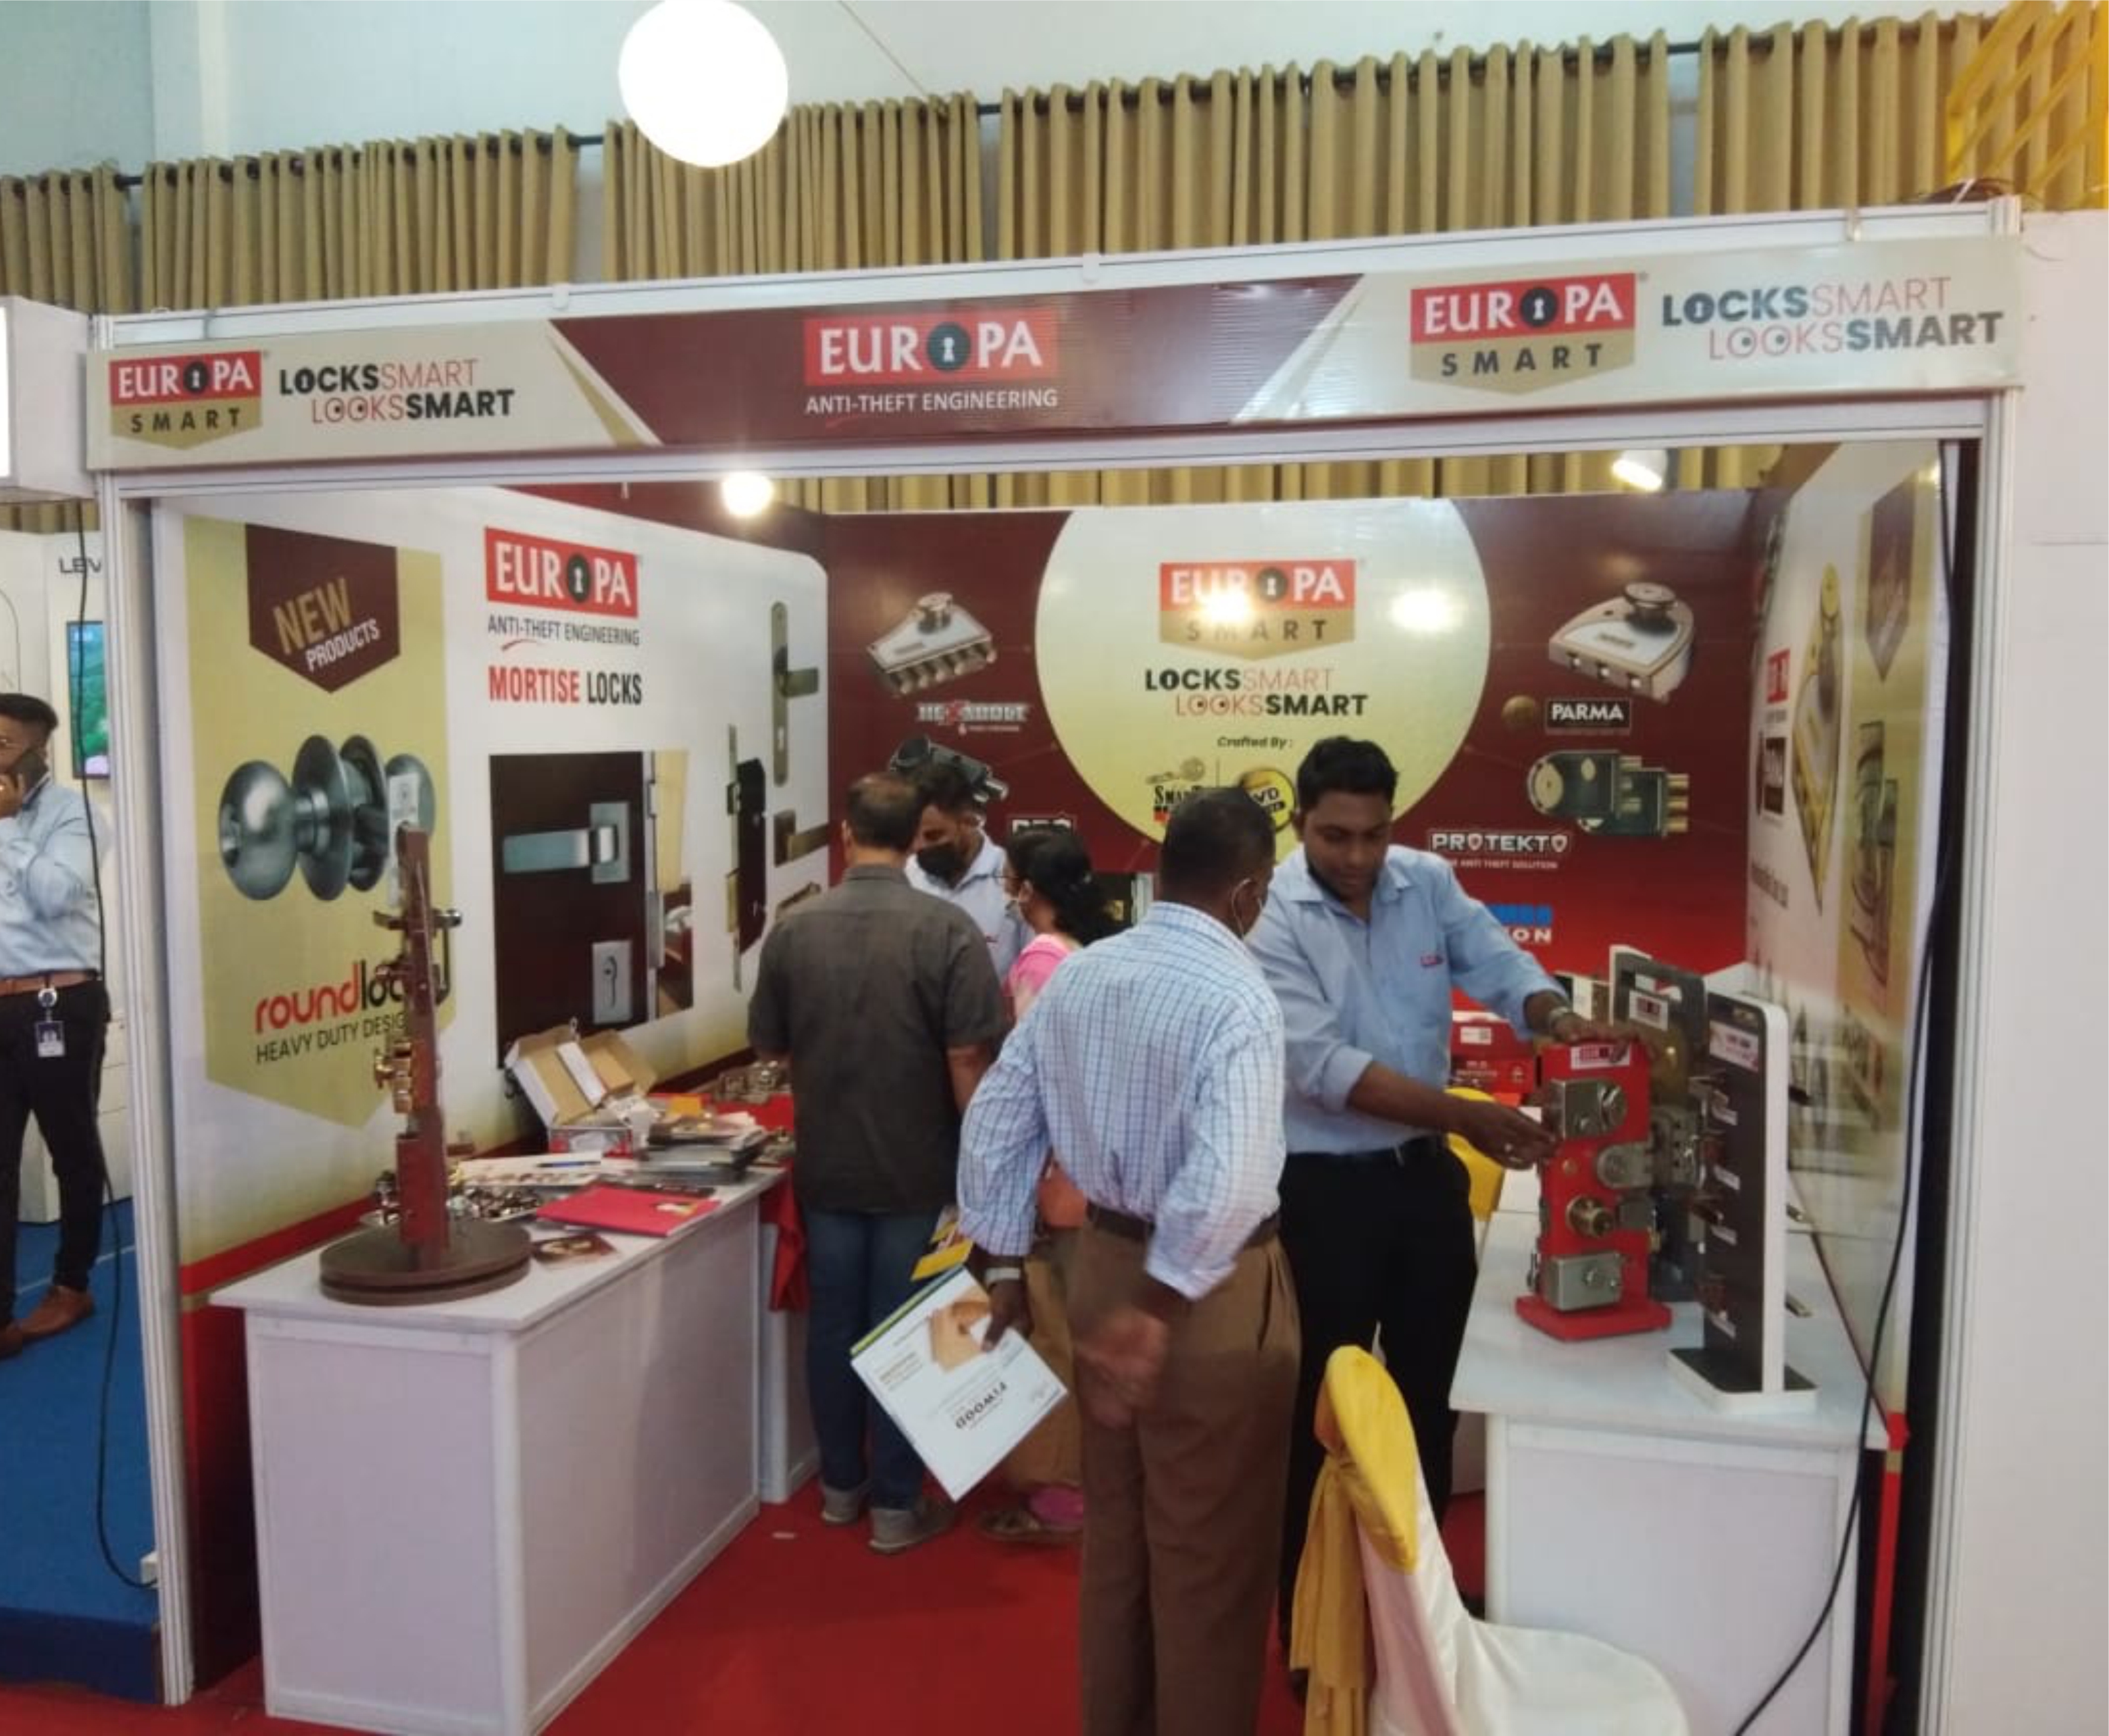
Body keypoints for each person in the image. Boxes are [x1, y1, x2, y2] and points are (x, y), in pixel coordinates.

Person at [1246, 735, 1629, 1648]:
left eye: (1374, 834)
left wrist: (1556, 1019)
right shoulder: (1270, 914)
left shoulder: (1426, 881)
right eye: (1335, 836)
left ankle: (1422, 1616)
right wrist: (1469, 1115)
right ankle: (1315, 1627)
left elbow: (1502, 966)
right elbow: (1325, 1069)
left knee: (1430, 1400)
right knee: (1320, 1417)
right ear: (1300, 824)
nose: (1357, 856)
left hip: (1422, 1184)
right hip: (1320, 1195)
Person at [957, 788, 1298, 1736]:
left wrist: (1004, 1265)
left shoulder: (1082, 973)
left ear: (1158, 868)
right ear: (1249, 892)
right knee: (1210, 1558)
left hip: (1097, 1265)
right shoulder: (1238, 996)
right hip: (1200, 1296)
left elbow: (996, 1120)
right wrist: (1159, 1307)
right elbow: (1227, 1182)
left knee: (1117, 1542)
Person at [747, 771, 1006, 1553]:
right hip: (921, 1169)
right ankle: (897, 1503)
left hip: (827, 1167)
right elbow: (968, 1058)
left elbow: (770, 1048)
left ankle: (839, 1489)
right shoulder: (948, 930)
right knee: (917, 1329)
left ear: (846, 833)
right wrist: (984, 1166)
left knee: (834, 1326)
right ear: (916, 838)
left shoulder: (794, 930)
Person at [975, 825, 1119, 1548]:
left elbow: (1035, 1083)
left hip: (1054, 1176)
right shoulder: (1090, 954)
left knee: (1049, 1334)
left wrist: (1014, 1177)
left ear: (1023, 886)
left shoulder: (1040, 961)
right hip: (1094, 1176)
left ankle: (1060, 1493)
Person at [0, 694, 109, 1362]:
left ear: (39, 751)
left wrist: (9, 827)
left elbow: (58, 896)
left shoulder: (77, 815)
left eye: (3, 745)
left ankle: (72, 1284)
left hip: (58, 1002)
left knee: (71, 1149)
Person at [906, 759, 1024, 976]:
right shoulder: (906, 875)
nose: (919, 846)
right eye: (914, 835)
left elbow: (1037, 972)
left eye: (934, 836)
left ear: (970, 822)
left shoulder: (1014, 879)